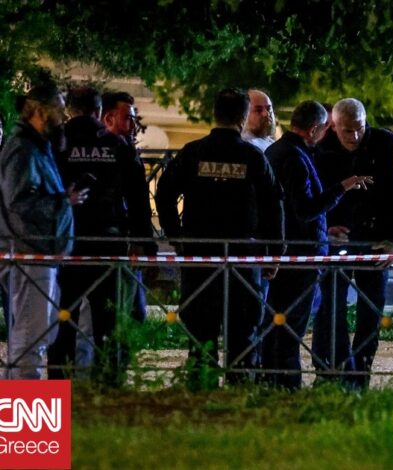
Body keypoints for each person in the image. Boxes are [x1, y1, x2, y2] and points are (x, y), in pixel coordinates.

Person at [155, 88, 284, 389]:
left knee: (201, 331)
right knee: (243, 332)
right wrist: (274, 252)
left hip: (199, 256)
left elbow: (164, 194)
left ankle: (202, 389)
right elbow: (273, 204)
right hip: (243, 257)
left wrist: (177, 237)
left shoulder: (193, 152)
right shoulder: (252, 156)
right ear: (243, 117)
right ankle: (240, 391)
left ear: (214, 114)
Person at [47, 87, 153, 382]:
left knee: (61, 322)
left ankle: (58, 390)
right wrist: (145, 244)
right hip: (109, 245)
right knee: (108, 323)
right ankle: (107, 390)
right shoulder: (118, 145)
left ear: (70, 110)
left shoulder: (56, 141)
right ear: (98, 112)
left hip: (65, 244)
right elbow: (139, 200)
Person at [263, 100, 371, 390]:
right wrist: (342, 187)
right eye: (326, 128)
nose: (327, 133)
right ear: (313, 130)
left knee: (275, 325)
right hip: (300, 257)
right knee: (290, 329)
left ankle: (269, 383)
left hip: (282, 252)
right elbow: (306, 208)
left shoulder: (276, 151)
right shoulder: (296, 158)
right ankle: (287, 387)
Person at [312, 97, 393, 389]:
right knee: (331, 310)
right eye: (347, 130)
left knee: (371, 311)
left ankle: (359, 376)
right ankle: (331, 373)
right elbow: (312, 197)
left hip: (376, 239)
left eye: (360, 128)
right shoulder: (320, 148)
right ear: (333, 126)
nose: (355, 136)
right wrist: (325, 228)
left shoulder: (385, 143)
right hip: (336, 240)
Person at [0, 84, 86, 379]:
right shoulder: (23, 149)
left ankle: (17, 401)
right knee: (30, 338)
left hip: (37, 254)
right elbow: (18, 202)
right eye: (58, 110)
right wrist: (63, 201)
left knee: (36, 335)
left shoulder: (35, 146)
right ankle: (26, 405)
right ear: (38, 112)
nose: (63, 118)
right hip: (29, 253)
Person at [102, 91, 157, 323]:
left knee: (135, 314)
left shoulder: (127, 153)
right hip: (119, 246)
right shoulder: (117, 155)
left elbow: (140, 205)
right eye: (128, 118)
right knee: (122, 315)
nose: (134, 126)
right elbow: (136, 205)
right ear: (108, 118)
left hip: (128, 246)